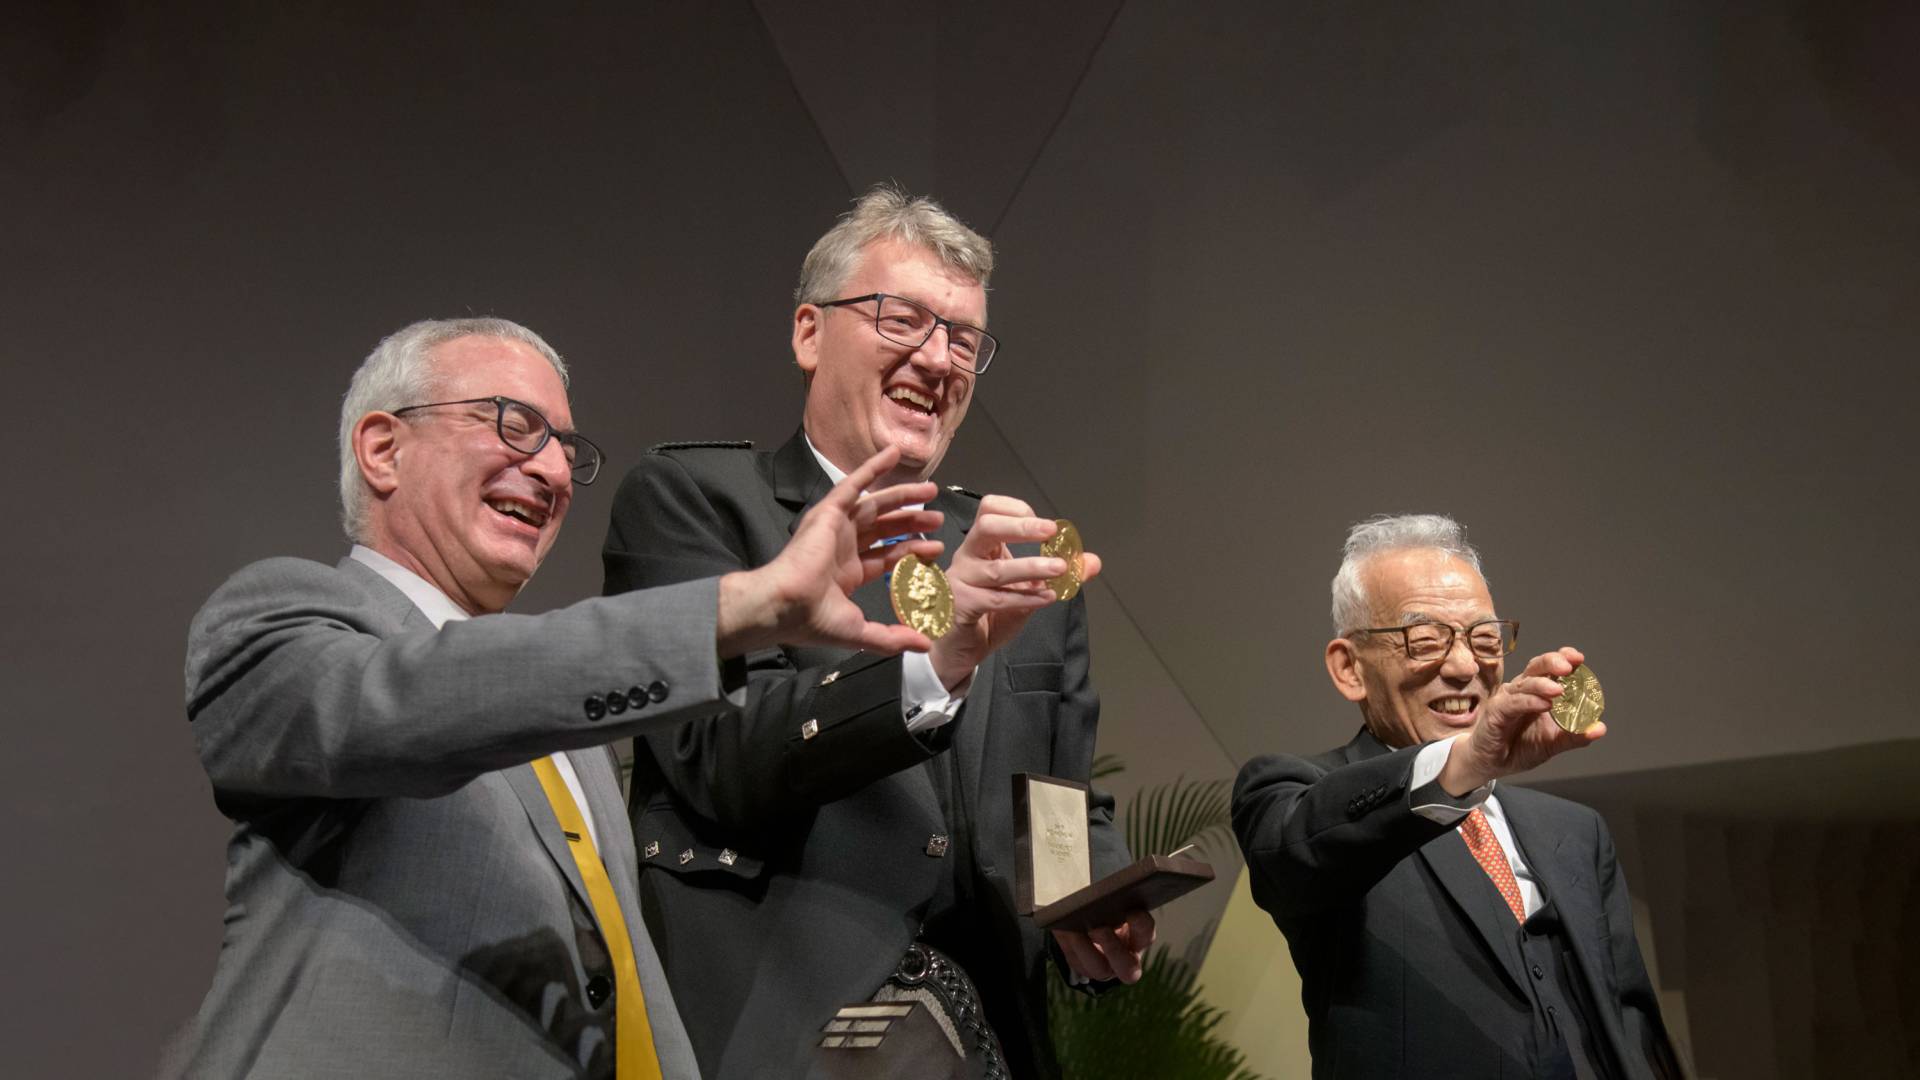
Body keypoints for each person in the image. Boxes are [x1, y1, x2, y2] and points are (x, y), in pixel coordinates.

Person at [178, 317, 945, 1080]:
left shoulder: (576, 734)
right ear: (384, 449)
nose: (552, 471)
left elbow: (627, 982)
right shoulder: (275, 622)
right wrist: (744, 605)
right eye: (514, 426)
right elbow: (417, 696)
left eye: (566, 450)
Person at [602, 185, 1150, 1079]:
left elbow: (1058, 801)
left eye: (963, 339)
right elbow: (719, 759)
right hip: (783, 1043)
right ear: (809, 334)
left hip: (990, 1048)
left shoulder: (1017, 555)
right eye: (904, 321)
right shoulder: (695, 503)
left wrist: (1096, 903)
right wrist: (938, 663)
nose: (937, 359)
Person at [1232, 514, 1683, 1079]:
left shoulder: (1575, 831)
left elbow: (1633, 1025)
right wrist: (1464, 763)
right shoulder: (1298, 793)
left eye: (1485, 638)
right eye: (1425, 641)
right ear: (1349, 669)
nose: (1466, 666)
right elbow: (1292, 859)